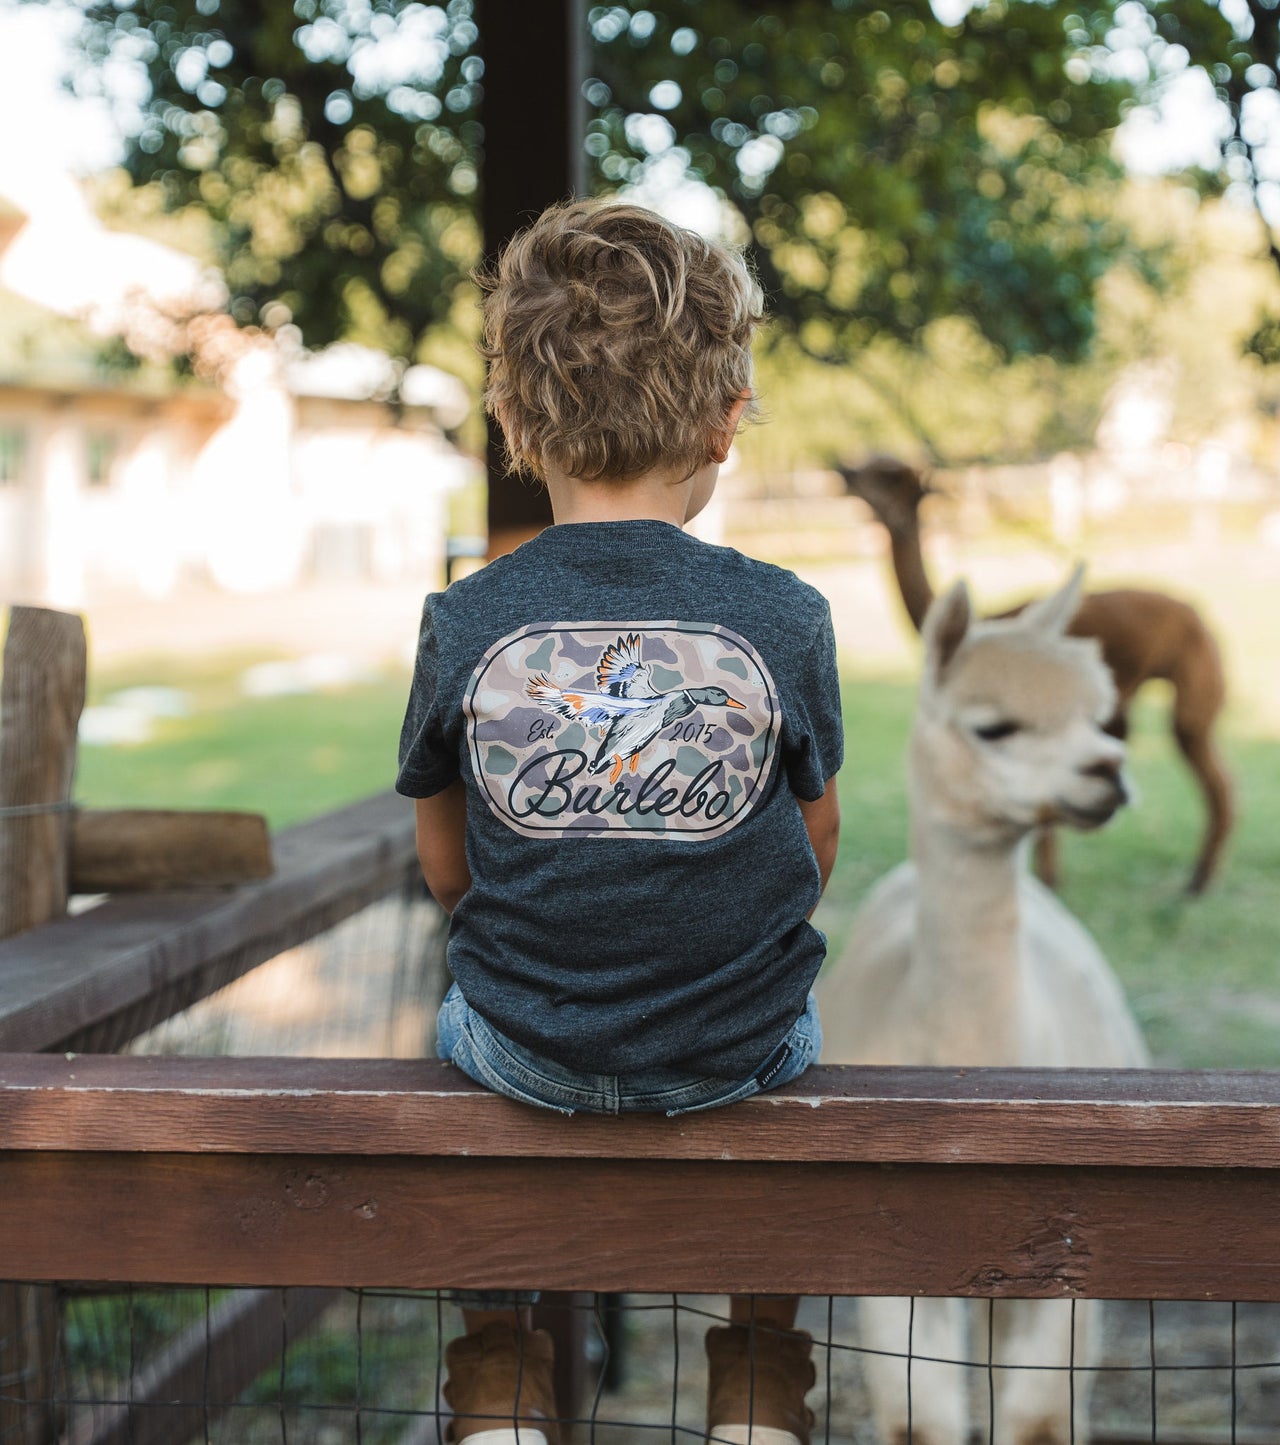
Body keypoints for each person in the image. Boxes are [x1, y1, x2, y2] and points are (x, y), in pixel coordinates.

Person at [396, 199, 843, 1445]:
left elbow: (447, 868)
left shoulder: (464, 621)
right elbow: (812, 847)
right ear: (724, 419)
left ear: (513, 421)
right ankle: (758, 1370)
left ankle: (500, 1366)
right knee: (800, 1012)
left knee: (458, 1013)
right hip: (736, 1052)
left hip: (523, 1050)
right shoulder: (785, 615)